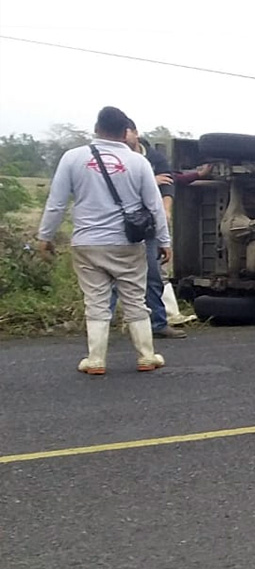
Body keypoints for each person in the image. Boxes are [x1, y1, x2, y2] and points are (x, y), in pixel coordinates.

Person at [36, 106, 171, 375]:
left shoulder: (72, 158)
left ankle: (95, 360)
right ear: (125, 133)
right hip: (127, 244)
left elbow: (57, 203)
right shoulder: (139, 162)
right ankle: (146, 356)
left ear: (96, 129)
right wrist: (164, 240)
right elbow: (155, 206)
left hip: (87, 243)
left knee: (95, 301)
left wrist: (45, 237)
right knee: (134, 299)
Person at [104, 119, 188, 339]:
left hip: (147, 225)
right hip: (117, 225)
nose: (124, 138)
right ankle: (103, 324)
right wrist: (151, 180)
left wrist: (166, 213)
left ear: (135, 133)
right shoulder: (116, 159)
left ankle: (158, 323)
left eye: (127, 133)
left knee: (153, 275)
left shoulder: (154, 158)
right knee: (113, 277)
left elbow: (168, 184)